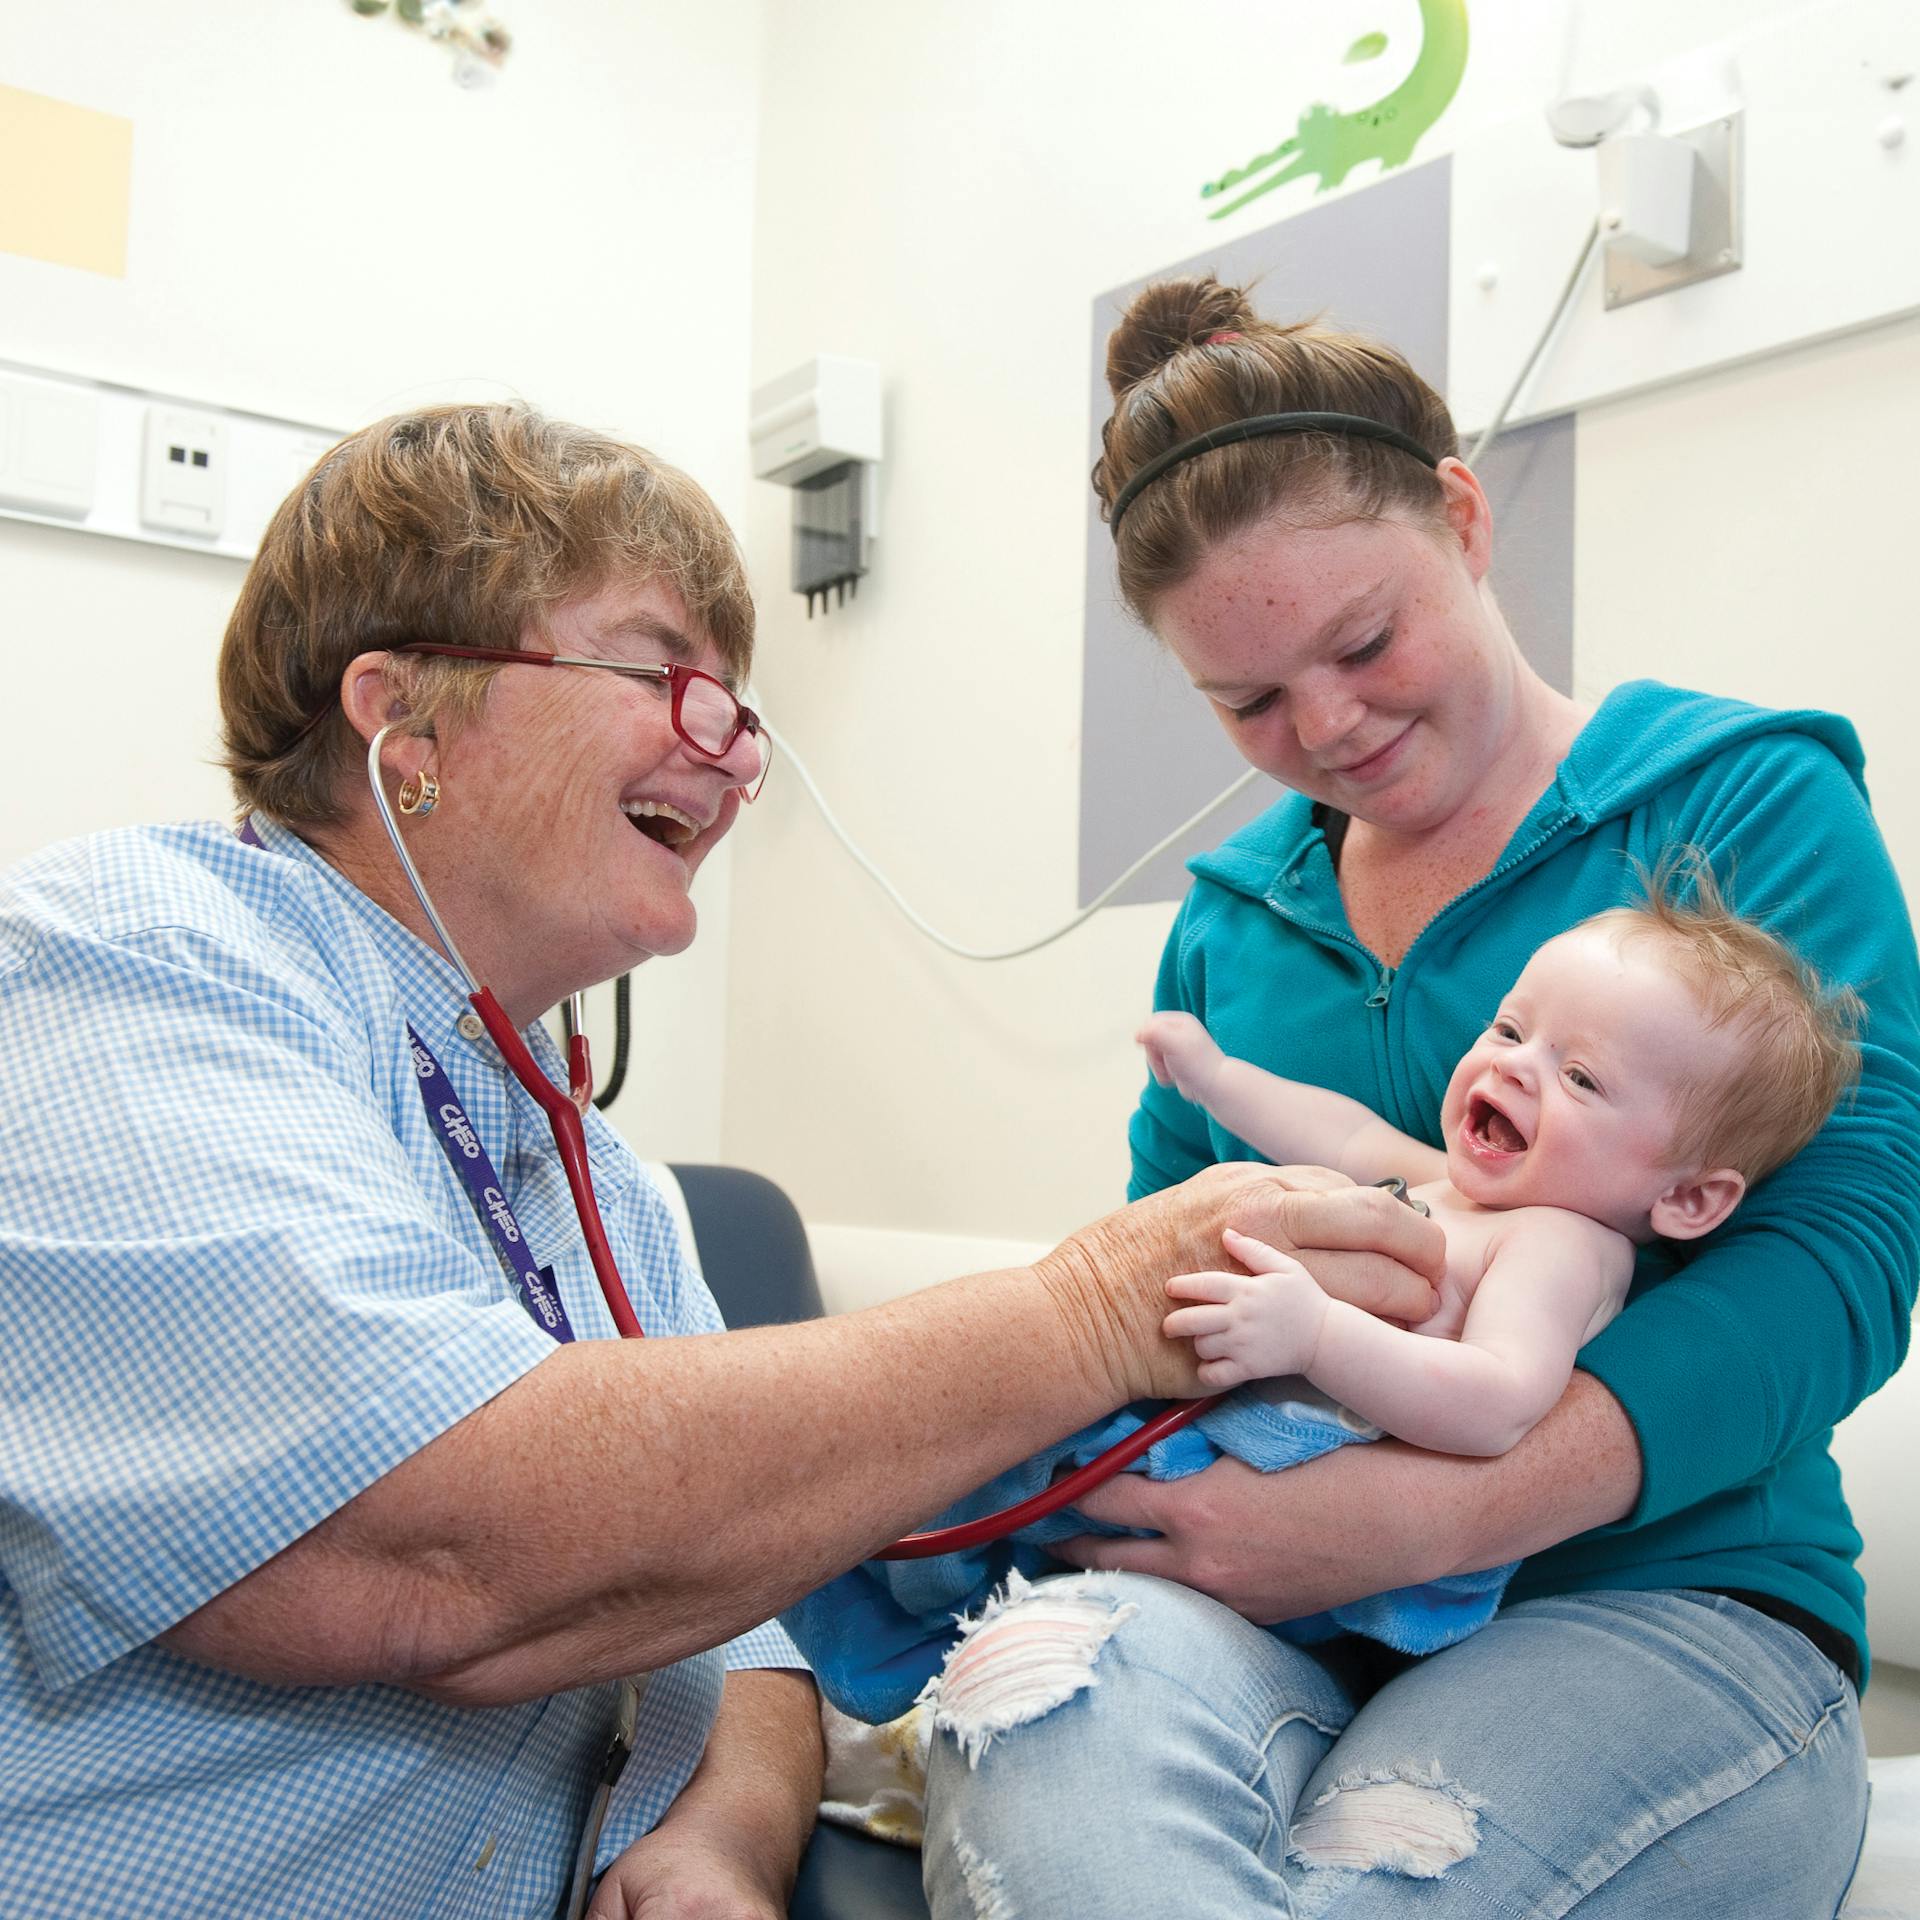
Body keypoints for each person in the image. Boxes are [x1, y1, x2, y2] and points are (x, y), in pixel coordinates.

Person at [0, 403, 1445, 1918]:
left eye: (739, 704)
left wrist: (730, 1833)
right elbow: (425, 1547)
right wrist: (1091, 1312)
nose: (736, 750)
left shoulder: (598, 1181)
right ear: (402, 722)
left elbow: (751, 1627)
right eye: (659, 671)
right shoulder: (135, 960)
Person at [915, 277, 1920, 1919]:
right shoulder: (1229, 928)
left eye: (1364, 642)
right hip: (1257, 1615)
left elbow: (1852, 1245)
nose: (1325, 726)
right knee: (1028, 1698)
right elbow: (1154, 1263)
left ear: (1462, 518)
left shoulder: (1737, 799)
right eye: (1246, 704)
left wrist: (1432, 1516)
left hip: (1664, 1602)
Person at [1145, 867, 1863, 1448]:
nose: (1516, 1066)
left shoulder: (1560, 1246)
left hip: (1297, 1459)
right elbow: (1341, 1134)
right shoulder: (1462, 1188)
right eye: (1510, 1028)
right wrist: (1215, 1079)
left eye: (1581, 1077)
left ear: (1687, 1199)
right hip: (1228, 1415)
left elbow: (1496, 1401)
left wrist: (1317, 1336)